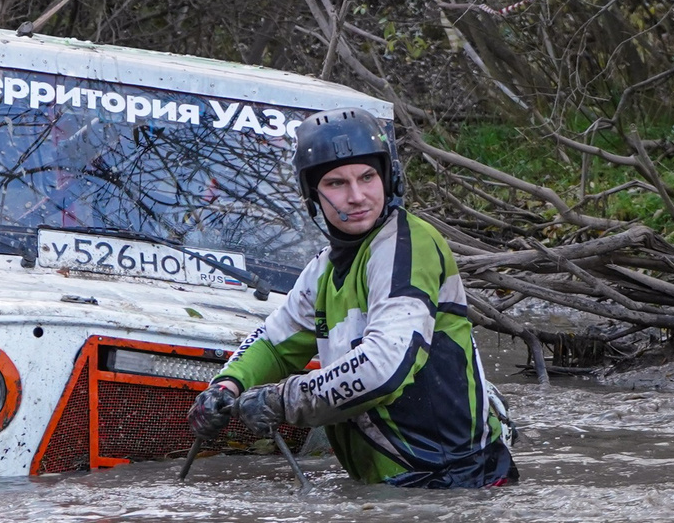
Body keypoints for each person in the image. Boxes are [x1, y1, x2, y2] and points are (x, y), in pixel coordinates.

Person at [188, 109, 515, 487]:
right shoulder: (324, 269)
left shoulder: (409, 246)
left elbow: (383, 368)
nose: (357, 196)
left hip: (455, 483)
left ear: (388, 179)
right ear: (313, 195)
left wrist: (282, 399)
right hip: (394, 488)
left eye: (367, 177)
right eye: (337, 183)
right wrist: (227, 385)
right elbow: (274, 343)